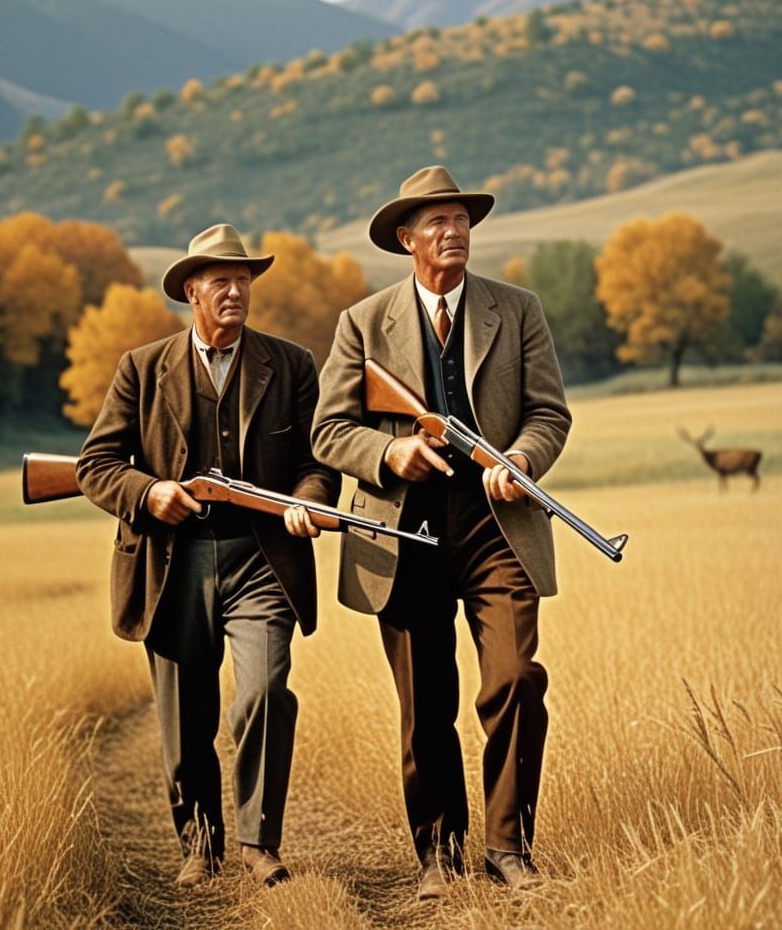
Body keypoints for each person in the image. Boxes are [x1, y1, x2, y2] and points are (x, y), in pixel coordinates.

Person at [311, 166, 571, 899]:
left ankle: (508, 848)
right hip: (403, 533)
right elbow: (328, 431)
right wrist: (389, 452)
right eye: (436, 223)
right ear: (406, 239)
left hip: (499, 528)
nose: (453, 232)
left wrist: (521, 457)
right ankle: (438, 857)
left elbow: (550, 413)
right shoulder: (362, 324)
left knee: (516, 679)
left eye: (460, 220)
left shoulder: (517, 310)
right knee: (426, 703)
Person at [77, 223, 339, 888]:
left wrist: (306, 501)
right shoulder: (142, 368)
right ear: (191, 291)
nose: (235, 291)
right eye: (220, 281)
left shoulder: (291, 364)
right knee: (185, 716)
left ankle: (258, 840)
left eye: (243, 280)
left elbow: (316, 463)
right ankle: (200, 844)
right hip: (172, 562)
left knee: (263, 692)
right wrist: (150, 491)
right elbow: (95, 465)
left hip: (262, 558)